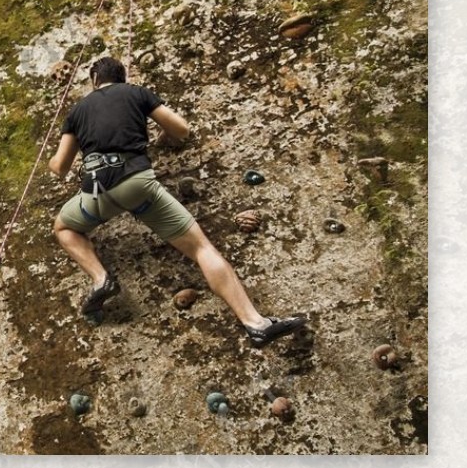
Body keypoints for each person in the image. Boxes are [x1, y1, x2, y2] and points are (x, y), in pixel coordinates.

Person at [48, 56, 306, 348]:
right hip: (138, 185)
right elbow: (181, 129)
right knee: (201, 248)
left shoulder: (78, 110)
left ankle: (100, 278)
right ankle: (255, 323)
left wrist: (51, 159)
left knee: (63, 228)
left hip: (97, 194)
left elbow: (60, 167)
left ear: (94, 80)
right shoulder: (136, 92)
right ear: (122, 77)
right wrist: (160, 136)